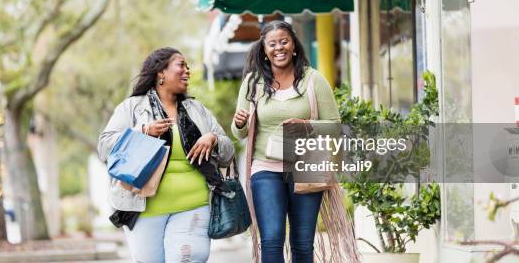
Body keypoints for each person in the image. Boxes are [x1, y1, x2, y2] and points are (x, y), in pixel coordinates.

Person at [232, 20, 360, 263]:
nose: (279, 48)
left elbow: (335, 126)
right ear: (264, 50)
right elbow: (240, 133)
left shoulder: (314, 80)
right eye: (272, 44)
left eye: (284, 41)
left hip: (306, 168)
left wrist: (304, 127)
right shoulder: (253, 83)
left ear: (293, 46)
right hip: (265, 168)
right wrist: (239, 123)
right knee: (271, 238)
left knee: (302, 243)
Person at [98, 47, 235, 263]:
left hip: (194, 205)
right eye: (181, 65)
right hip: (144, 210)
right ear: (161, 72)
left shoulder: (197, 109)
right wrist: (142, 132)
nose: (187, 71)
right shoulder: (132, 107)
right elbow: (104, 147)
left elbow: (228, 153)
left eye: (188, 67)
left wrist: (213, 139)